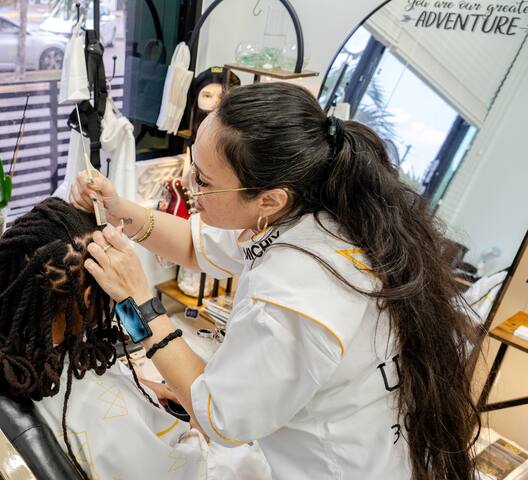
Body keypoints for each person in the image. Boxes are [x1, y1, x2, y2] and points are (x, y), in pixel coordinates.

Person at [70, 82, 481, 480]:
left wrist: (137, 303)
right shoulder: (316, 211)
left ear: (269, 199)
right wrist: (118, 207)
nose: (188, 185)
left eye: (203, 181)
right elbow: (196, 246)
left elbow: (220, 419)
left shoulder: (294, 298)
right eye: (193, 167)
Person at [0, 197, 270, 480]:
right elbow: (194, 469)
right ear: (91, 296)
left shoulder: (3, 353)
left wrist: (145, 389)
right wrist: (203, 432)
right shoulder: (103, 415)